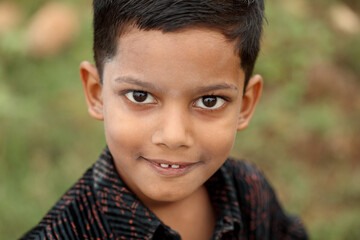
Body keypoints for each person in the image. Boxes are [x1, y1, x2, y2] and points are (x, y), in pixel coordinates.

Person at [21, 0, 308, 239]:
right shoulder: (60, 233)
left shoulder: (251, 193)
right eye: (140, 96)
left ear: (245, 105)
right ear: (97, 94)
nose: (173, 136)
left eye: (209, 101)